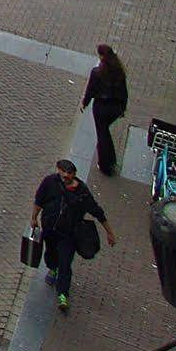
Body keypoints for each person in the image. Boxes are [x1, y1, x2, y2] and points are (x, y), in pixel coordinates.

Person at [31, 159, 116, 312]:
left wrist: (109, 232)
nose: (66, 177)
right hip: (50, 229)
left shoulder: (82, 191)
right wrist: (34, 218)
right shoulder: (50, 182)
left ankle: (63, 294)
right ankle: (52, 267)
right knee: (50, 252)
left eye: (69, 174)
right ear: (58, 170)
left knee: (65, 262)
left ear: (74, 174)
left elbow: (96, 211)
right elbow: (39, 199)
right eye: (63, 173)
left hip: (68, 233)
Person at [81, 46, 130, 175]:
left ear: (102, 57)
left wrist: (84, 103)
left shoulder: (97, 72)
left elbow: (90, 90)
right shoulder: (119, 71)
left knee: (102, 134)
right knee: (105, 132)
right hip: (115, 108)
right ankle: (110, 160)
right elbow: (124, 92)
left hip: (101, 107)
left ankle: (105, 164)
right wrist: (122, 108)